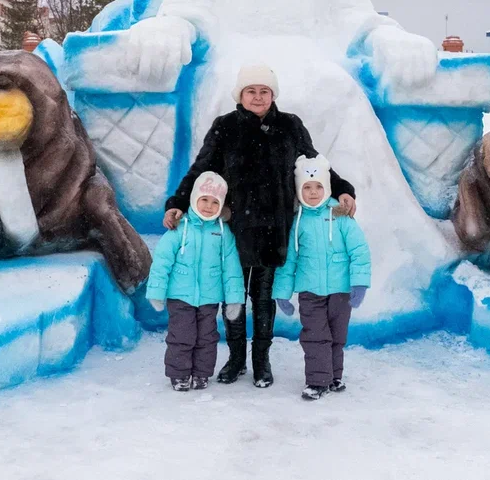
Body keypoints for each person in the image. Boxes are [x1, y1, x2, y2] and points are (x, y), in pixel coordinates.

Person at [164, 65, 356, 389]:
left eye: (264, 91)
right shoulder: (225, 127)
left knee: (264, 299)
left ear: (273, 94)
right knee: (233, 297)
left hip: (273, 231)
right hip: (234, 231)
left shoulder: (290, 126)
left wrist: (342, 189)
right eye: (250, 90)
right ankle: (237, 357)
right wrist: (178, 203)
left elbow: (315, 165)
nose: (257, 96)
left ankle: (261, 361)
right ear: (240, 95)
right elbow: (201, 169)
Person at [273, 155, 371, 400]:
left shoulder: (340, 215)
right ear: (299, 190)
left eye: (318, 187)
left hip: (340, 290)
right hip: (310, 292)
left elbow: (359, 250)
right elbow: (289, 261)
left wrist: (359, 283)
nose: (313, 192)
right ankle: (317, 381)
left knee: (337, 337)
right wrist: (282, 293)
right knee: (316, 337)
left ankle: (334, 376)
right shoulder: (297, 222)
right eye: (307, 187)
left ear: (327, 187)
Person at [147, 171, 245, 391]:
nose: (209, 206)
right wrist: (156, 291)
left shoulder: (222, 233)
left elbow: (232, 269)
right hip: (180, 295)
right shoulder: (179, 228)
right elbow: (162, 262)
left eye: (214, 202)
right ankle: (179, 374)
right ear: (194, 199)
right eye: (204, 200)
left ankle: (201, 373)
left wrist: (234, 299)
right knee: (182, 336)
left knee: (207, 339)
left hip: (209, 297)